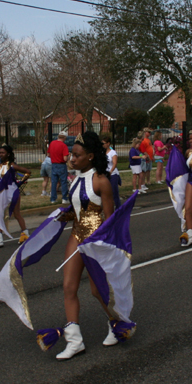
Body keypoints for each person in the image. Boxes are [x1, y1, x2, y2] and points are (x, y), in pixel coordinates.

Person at [53, 131, 115, 360]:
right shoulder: (75, 179)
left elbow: (110, 217)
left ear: (90, 156)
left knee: (97, 289)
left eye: (77, 156)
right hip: (76, 236)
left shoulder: (101, 181)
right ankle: (74, 341)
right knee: (69, 287)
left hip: (96, 240)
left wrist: (102, 243)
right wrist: (64, 216)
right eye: (71, 154)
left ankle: (117, 324)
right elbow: (80, 210)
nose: (72, 159)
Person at [0, 145, 31, 249]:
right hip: (2, 192)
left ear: (8, 154)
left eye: (3, 153)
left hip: (12, 191)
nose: (0, 154)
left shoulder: (12, 165)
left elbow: (28, 172)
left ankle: (25, 235)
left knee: (16, 214)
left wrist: (19, 183)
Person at [101, 133, 121, 209]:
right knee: (105, 192)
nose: (102, 145)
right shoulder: (102, 153)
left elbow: (114, 163)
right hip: (105, 174)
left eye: (104, 143)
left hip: (113, 174)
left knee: (114, 192)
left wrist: (111, 171)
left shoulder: (112, 152)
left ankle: (118, 207)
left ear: (108, 143)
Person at [49, 131, 70, 204]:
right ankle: (64, 198)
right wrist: (68, 157)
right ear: (64, 138)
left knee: (54, 182)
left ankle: (53, 199)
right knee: (64, 182)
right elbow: (65, 159)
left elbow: (49, 154)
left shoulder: (52, 143)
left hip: (54, 164)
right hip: (61, 164)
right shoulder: (64, 146)